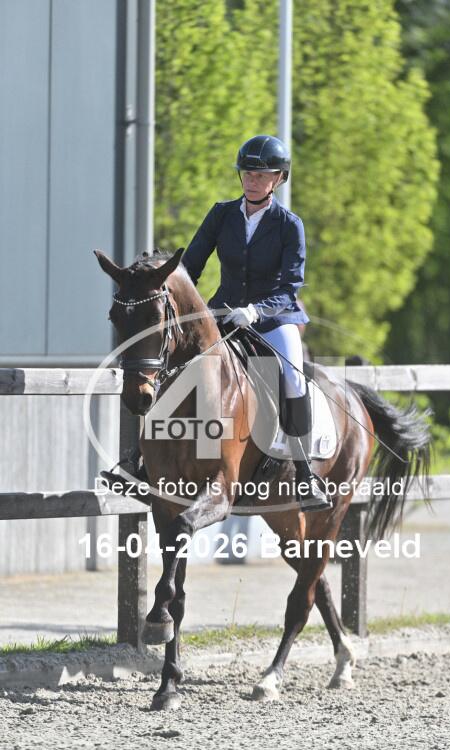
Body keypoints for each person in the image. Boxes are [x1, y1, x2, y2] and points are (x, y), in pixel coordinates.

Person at [182, 134, 330, 512]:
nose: (252, 180)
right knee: (179, 363)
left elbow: (290, 286)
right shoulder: (221, 214)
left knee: (293, 376)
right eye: (248, 173)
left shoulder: (288, 225)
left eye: (262, 175)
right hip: (224, 314)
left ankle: (304, 473)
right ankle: (140, 457)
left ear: (278, 179)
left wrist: (256, 311)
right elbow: (190, 266)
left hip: (273, 319)